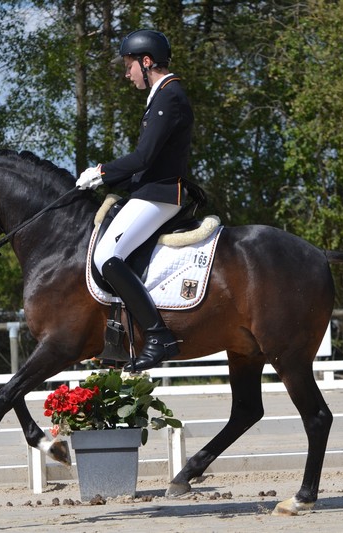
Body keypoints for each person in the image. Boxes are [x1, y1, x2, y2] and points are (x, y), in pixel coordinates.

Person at [75, 29, 194, 372]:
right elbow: (147, 163)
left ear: (146, 61)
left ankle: (158, 336)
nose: (127, 74)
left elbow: (143, 158)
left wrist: (102, 171)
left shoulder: (169, 96)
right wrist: (104, 180)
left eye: (129, 66)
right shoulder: (161, 96)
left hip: (161, 194)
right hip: (151, 189)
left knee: (107, 255)